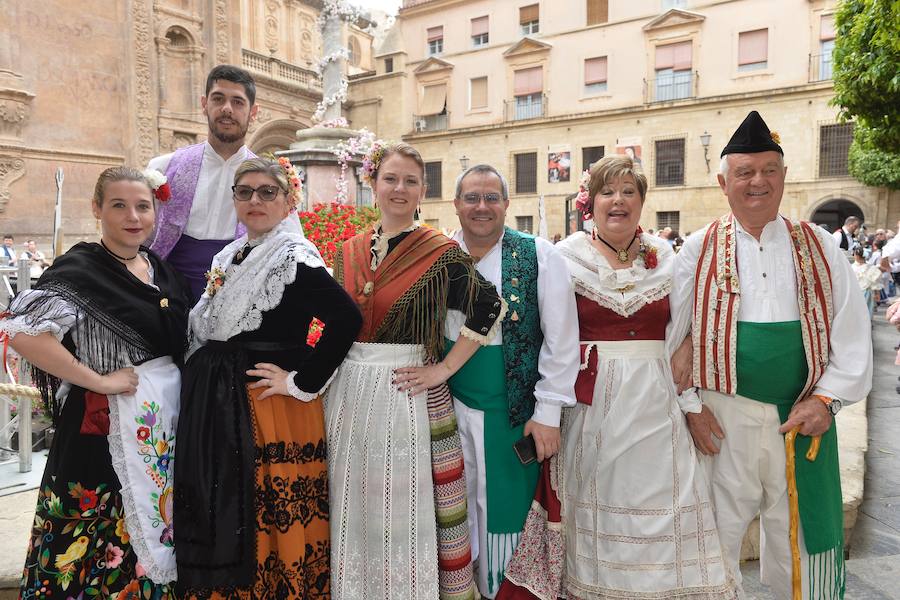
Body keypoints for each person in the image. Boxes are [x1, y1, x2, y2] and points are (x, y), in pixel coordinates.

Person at [498, 155, 734, 600]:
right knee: (597, 503)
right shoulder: (564, 258)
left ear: (642, 201)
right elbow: (543, 334)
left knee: (670, 499)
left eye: (629, 191)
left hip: (658, 398)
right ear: (591, 203)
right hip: (594, 403)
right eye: (608, 191)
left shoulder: (666, 257)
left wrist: (687, 355)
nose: (618, 200)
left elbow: (686, 325)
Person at [670, 111, 873, 599]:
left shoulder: (821, 246)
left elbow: (851, 334)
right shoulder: (696, 250)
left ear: (784, 177)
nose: (756, 181)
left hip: (800, 418)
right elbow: (672, 341)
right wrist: (692, 409)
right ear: (724, 183)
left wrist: (827, 402)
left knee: (803, 540)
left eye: (768, 170)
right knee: (710, 538)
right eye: (744, 172)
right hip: (722, 417)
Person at [174, 157, 361, 597]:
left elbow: (345, 318)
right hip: (223, 405)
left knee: (270, 515)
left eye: (267, 192)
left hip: (267, 408)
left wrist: (300, 380)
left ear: (287, 200)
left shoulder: (292, 257)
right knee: (228, 509)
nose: (255, 200)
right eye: (245, 191)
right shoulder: (233, 254)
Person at [1, 167, 192, 599]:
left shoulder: (159, 267)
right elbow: (24, 333)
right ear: (96, 209)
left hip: (158, 430)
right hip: (99, 430)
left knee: (152, 532)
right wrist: (98, 381)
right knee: (93, 534)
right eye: (119, 205)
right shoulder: (81, 268)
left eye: (143, 206)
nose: (133, 217)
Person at [326, 142, 504, 600]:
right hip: (349, 395)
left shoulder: (439, 252)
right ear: (373, 184)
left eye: (410, 181)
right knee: (355, 504)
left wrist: (442, 368)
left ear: (423, 190)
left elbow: (488, 306)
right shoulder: (346, 251)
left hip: (405, 395)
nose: (399, 189)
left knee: (403, 510)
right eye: (390, 179)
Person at [447, 164, 578, 598]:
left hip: (514, 410)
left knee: (507, 512)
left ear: (506, 204)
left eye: (491, 198)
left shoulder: (540, 254)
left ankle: (504, 591)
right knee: (455, 506)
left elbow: (561, 340)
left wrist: (548, 413)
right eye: (472, 198)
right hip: (449, 406)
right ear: (456, 205)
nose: (481, 207)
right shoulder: (440, 254)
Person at [148, 64, 258, 300]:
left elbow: (290, 242)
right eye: (218, 99)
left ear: (253, 112)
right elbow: (143, 235)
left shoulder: (270, 181)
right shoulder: (164, 168)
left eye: (238, 102)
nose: (227, 109)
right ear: (204, 104)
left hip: (237, 297)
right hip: (168, 294)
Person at [852, 246, 882, 317]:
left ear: (857, 256)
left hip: (863, 291)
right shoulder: (854, 267)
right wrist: (877, 293)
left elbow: (875, 282)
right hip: (862, 291)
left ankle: (864, 322)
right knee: (864, 309)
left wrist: (877, 293)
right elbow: (875, 283)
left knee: (863, 308)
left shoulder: (869, 268)